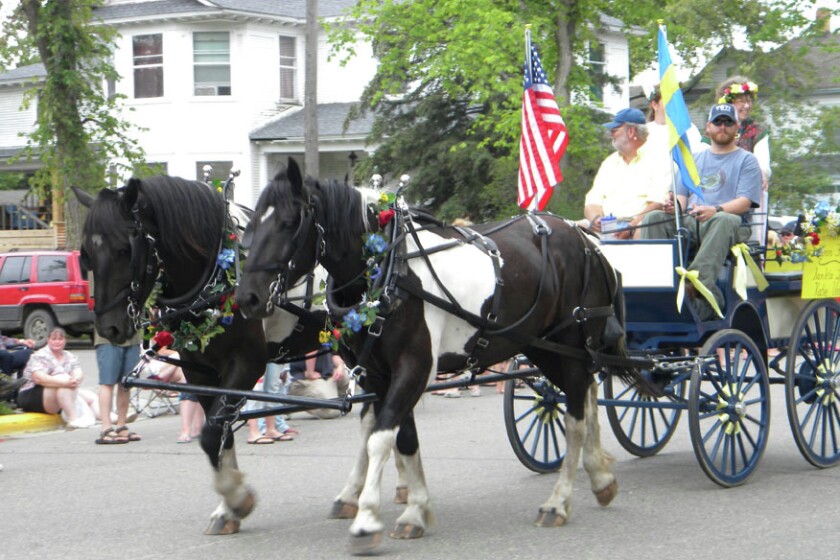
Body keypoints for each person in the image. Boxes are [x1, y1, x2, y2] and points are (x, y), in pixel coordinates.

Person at [639, 103, 763, 320]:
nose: (722, 127)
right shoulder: (693, 159)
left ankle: (694, 284)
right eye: (718, 122)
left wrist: (715, 209)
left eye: (728, 122)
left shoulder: (747, 160)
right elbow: (680, 198)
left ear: (737, 128)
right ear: (708, 127)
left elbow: (745, 201)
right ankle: (657, 282)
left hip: (730, 224)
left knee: (724, 219)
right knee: (654, 217)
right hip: (693, 220)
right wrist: (673, 207)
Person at [583, 108, 670, 239]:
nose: (611, 134)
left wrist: (631, 227)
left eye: (614, 130)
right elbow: (592, 202)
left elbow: (658, 204)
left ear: (631, 131)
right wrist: (595, 219)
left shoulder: (659, 158)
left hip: (639, 225)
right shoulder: (609, 162)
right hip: (607, 225)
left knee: (642, 231)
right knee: (567, 230)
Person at [15, 327, 101, 428]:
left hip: (62, 391)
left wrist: (76, 378)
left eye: (60, 339)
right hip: (32, 394)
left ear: (65, 341)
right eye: (54, 339)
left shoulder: (69, 356)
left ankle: (105, 416)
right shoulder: (39, 355)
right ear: (48, 340)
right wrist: (65, 382)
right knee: (63, 378)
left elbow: (78, 371)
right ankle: (73, 419)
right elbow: (39, 378)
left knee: (91, 397)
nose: (57, 342)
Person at [94, 327, 143, 444]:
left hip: (132, 335)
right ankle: (106, 428)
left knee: (126, 383)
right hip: (107, 335)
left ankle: (121, 425)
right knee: (107, 383)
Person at [244, 362, 298, 444]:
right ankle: (253, 431)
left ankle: (270, 429)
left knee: (273, 386)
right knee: (256, 386)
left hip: (274, 353)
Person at [289, 351, 348, 419]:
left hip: (326, 374)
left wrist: (340, 366)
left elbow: (333, 352)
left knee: (347, 381)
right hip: (305, 378)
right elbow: (311, 349)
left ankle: (330, 399)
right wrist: (310, 373)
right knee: (331, 411)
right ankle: (292, 397)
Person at [0, 331, 35, 401]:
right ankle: (7, 396)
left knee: (28, 354)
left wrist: (20, 341)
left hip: (5, 356)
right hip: (4, 356)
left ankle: (20, 397)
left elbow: (3, 340)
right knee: (5, 355)